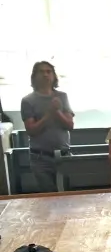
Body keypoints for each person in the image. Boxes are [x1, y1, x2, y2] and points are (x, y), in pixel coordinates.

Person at [20, 61, 73, 192]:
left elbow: (70, 125)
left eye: (48, 71)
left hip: (63, 155)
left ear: (54, 76)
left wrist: (57, 111)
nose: (45, 75)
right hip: (40, 158)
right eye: (41, 71)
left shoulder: (62, 96)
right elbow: (31, 130)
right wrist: (49, 114)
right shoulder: (28, 100)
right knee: (48, 196)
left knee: (67, 196)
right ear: (34, 76)